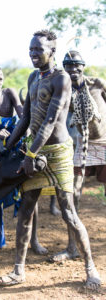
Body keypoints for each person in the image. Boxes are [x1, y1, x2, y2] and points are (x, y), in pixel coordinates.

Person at [0, 30, 100, 289]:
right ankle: (18, 271)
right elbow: (27, 119)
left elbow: (52, 121)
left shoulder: (61, 79)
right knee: (26, 210)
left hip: (58, 153)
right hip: (36, 151)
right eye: (30, 49)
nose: (32, 54)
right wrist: (7, 147)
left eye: (37, 50)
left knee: (68, 212)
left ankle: (91, 269)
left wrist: (31, 154)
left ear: (51, 52)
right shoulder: (34, 77)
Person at [0, 64, 47, 264]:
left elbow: (23, 117)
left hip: (17, 148)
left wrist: (20, 139)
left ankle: (34, 241)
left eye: (0, 78)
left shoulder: (10, 93)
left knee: (29, 192)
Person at [63, 50, 106, 211]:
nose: (73, 70)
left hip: (105, 140)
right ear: (64, 69)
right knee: (75, 185)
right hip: (83, 142)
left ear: (83, 66)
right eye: (68, 66)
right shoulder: (64, 91)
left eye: (76, 66)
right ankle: (75, 219)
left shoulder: (97, 84)